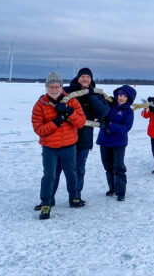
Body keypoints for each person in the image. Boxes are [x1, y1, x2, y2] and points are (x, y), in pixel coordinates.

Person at [33, 67, 109, 210]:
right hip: (61, 138)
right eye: (82, 76)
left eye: (88, 77)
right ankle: (49, 200)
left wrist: (91, 96)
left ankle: (75, 196)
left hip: (84, 137)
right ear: (78, 78)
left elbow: (103, 112)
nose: (85, 79)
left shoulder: (97, 94)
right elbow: (52, 96)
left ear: (91, 79)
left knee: (77, 170)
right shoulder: (68, 91)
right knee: (53, 171)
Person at [31, 72, 86, 220]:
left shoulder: (72, 101)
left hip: (69, 145)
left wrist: (69, 112)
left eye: (57, 86)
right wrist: (56, 122)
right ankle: (46, 203)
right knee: (49, 176)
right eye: (51, 87)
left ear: (62, 87)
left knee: (71, 173)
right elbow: (39, 129)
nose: (54, 89)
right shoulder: (40, 104)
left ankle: (74, 198)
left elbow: (81, 122)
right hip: (50, 148)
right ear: (46, 87)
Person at [96, 85, 136, 201]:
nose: (121, 98)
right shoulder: (109, 105)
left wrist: (109, 125)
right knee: (108, 166)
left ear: (128, 98)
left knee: (118, 167)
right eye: (120, 95)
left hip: (119, 143)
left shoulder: (128, 112)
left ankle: (120, 191)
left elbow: (125, 128)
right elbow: (99, 110)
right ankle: (112, 188)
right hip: (104, 140)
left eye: (124, 96)